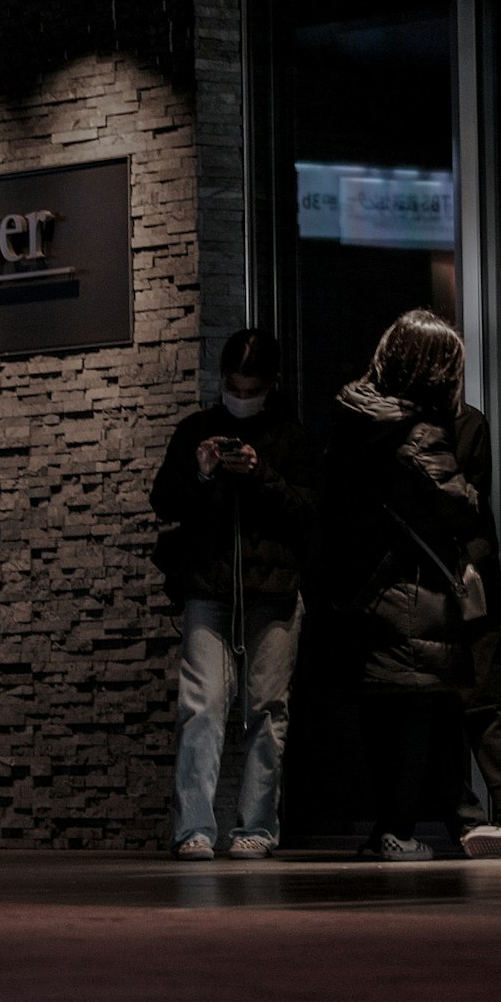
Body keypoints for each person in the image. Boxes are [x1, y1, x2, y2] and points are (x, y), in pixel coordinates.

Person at [322, 308, 501, 860]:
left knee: (409, 713)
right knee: (437, 705)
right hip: (424, 590)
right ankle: (454, 822)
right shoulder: (428, 431)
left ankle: (447, 820)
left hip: (373, 594)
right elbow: (462, 507)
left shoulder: (354, 420)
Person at [149, 328, 316, 859]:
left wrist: (261, 474)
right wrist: (201, 475)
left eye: (250, 388)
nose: (240, 398)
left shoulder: (292, 438)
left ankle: (257, 827)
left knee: (268, 709)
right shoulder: (197, 429)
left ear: (270, 384)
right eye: (232, 386)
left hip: (273, 590)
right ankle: (193, 827)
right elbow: (164, 501)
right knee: (201, 705)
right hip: (209, 586)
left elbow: (310, 513)